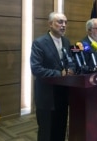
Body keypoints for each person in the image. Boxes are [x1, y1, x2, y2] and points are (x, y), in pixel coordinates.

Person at [30, 12, 75, 141]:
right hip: (47, 95)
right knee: (46, 131)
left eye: (66, 22)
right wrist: (59, 74)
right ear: (50, 24)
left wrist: (71, 69)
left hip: (62, 93)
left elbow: (70, 61)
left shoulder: (66, 41)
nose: (64, 25)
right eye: (60, 22)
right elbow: (36, 69)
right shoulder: (39, 43)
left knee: (60, 128)